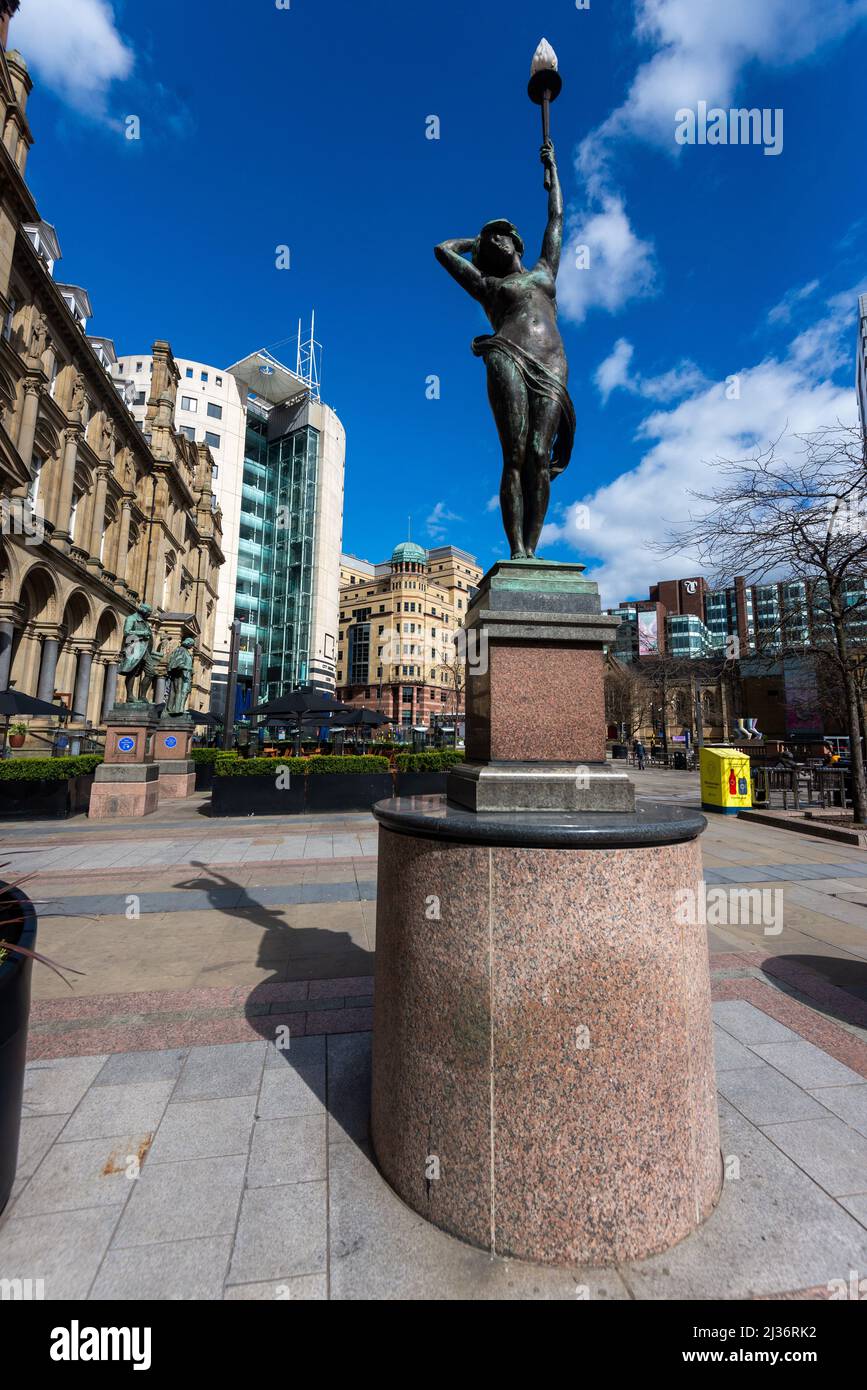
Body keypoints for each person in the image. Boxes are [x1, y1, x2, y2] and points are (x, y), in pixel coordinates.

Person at [434, 139, 575, 559]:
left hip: (551, 364)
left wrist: (553, 174)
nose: (494, 241)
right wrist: (474, 244)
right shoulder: (488, 287)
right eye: (488, 239)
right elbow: (443, 250)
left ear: (516, 242)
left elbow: (557, 218)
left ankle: (532, 549)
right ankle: (516, 550)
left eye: (500, 235)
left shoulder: (544, 271)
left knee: (538, 453)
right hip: (506, 355)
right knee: (514, 453)